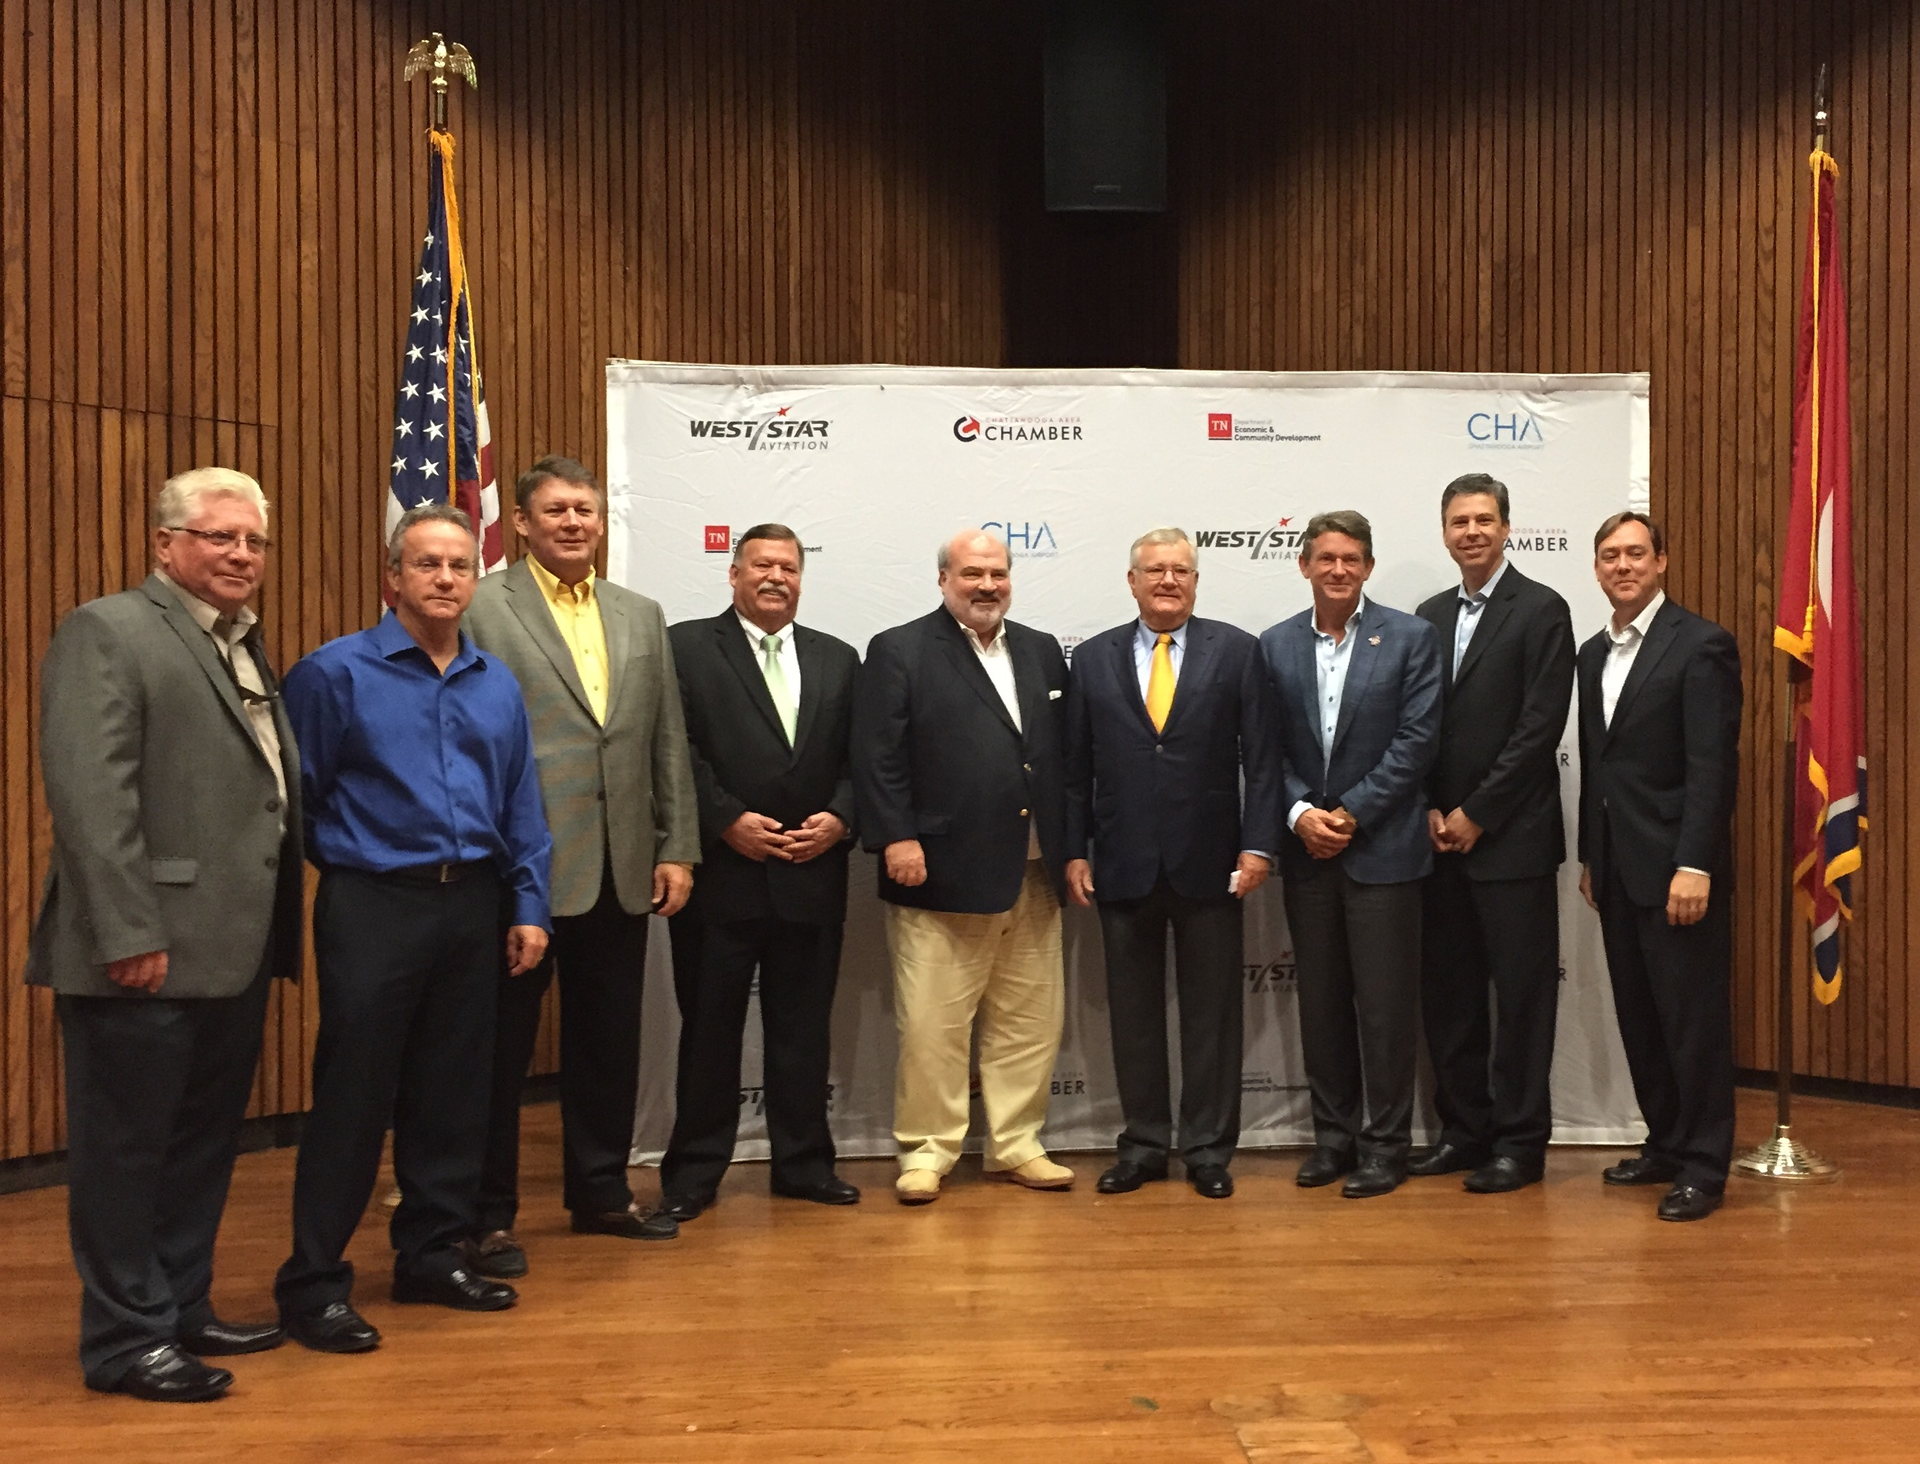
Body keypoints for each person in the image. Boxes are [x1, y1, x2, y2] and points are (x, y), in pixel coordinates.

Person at [29, 468, 303, 1402]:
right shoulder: (108, 630)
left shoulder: (241, 643)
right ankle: (121, 1341)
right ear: (165, 544)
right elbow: (90, 798)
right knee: (125, 1153)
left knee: (199, 1144)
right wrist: (126, 930)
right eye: (219, 537)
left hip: (230, 950)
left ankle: (180, 1305)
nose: (239, 555)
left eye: (254, 542)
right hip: (141, 952)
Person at [273, 502, 552, 1352]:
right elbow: (298, 800)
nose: (443, 579)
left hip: (473, 903)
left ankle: (431, 1255)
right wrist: (366, 863)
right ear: (392, 577)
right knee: (355, 1097)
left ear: (476, 579)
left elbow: (520, 802)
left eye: (459, 566)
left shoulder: (494, 681)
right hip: (375, 907)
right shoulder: (332, 675)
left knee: (453, 1094)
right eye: (426, 564)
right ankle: (315, 1283)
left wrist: (529, 906)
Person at [461, 455, 700, 1278]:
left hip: (621, 862)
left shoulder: (640, 613)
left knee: (608, 1040)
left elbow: (664, 737)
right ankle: (484, 1216)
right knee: (498, 1050)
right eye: (556, 510)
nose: (573, 523)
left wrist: (676, 846)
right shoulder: (483, 606)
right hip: (517, 867)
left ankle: (600, 1192)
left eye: (586, 511)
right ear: (519, 523)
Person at [853, 530, 1073, 1204]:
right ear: (943, 578)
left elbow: (1057, 757)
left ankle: (1015, 1144)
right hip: (938, 871)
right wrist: (898, 837)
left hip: (1034, 871)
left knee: (1029, 1022)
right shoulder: (900, 650)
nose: (987, 586)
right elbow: (878, 755)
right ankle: (928, 1149)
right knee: (931, 1026)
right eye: (972, 573)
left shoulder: (1039, 650)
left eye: (998, 574)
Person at [1064, 527, 1279, 1200]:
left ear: (1195, 580)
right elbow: (1074, 770)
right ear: (1131, 581)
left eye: (1180, 570)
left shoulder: (1239, 652)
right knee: (1132, 1016)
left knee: (1213, 1013)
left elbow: (1264, 763)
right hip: (1121, 861)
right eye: (1154, 570)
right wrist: (1073, 849)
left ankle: (1209, 1149)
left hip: (1212, 864)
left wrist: (1259, 844)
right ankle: (1144, 1145)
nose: (1167, 580)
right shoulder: (1092, 659)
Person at [658, 524, 861, 1220]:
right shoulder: (684, 646)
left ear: (802, 578)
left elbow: (861, 759)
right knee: (709, 1031)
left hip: (812, 873)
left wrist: (841, 816)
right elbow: (675, 747)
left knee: (802, 1033)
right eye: (761, 565)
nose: (776, 576)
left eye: (789, 567)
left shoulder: (839, 659)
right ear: (734, 573)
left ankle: (803, 1164)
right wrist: (725, 822)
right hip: (721, 877)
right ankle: (693, 1174)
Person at [1259, 510, 1442, 1199]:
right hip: (1308, 855)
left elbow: (1417, 740)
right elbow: (1264, 747)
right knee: (1324, 1007)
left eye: (1353, 559)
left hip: (1385, 852)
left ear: (1368, 567)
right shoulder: (1273, 646)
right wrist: (1303, 812)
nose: (1339, 569)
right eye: (1326, 558)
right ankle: (1332, 1139)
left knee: (1387, 1012)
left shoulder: (1410, 637)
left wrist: (1352, 812)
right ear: (1304, 565)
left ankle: (1385, 1146)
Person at [1411, 474, 1575, 1193]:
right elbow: (1411, 726)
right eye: (1458, 521)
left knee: (1521, 1002)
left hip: (1511, 843)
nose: (1471, 531)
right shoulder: (1426, 615)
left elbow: (1540, 728)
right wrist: (1425, 807)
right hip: (1436, 843)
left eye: (1483, 519)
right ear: (1444, 533)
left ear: (1507, 528)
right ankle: (1464, 1131)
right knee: (1450, 998)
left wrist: (1477, 812)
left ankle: (1519, 1142)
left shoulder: (1542, 609)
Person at [1577, 511, 1742, 1222]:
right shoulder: (1590, 653)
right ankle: (1667, 1143)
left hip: (1677, 871)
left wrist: (1695, 864)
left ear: (1663, 562)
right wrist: (1590, 854)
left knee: (1691, 1022)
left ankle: (1705, 1166)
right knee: (1641, 1017)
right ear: (1596, 568)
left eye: (1636, 553)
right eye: (1610, 555)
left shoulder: (1701, 645)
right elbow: (1597, 767)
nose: (1623, 565)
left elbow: (1711, 767)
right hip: (1615, 868)